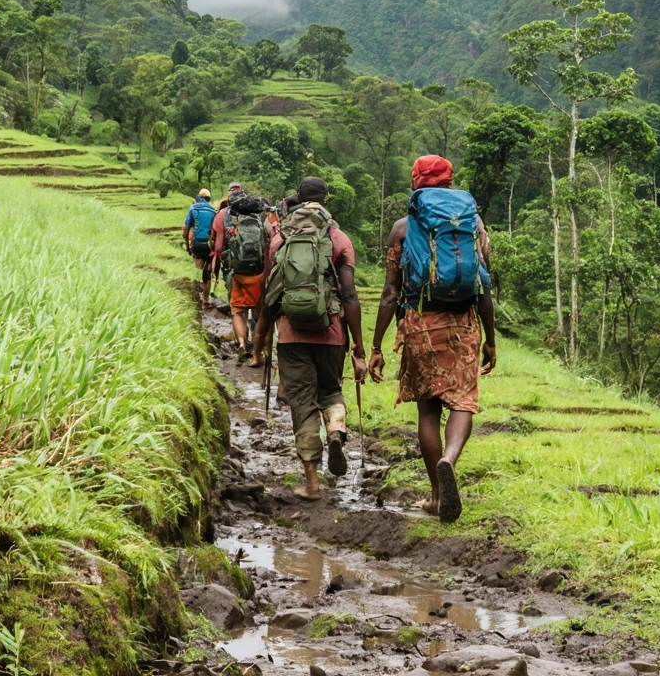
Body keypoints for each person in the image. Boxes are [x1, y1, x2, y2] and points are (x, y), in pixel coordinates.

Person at [368, 155, 496, 523]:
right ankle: (449, 460)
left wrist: (377, 346)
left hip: (420, 323)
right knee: (463, 401)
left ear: (416, 182)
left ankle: (438, 496)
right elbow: (482, 285)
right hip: (464, 325)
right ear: (450, 180)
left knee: (428, 410)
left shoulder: (403, 228)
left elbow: (390, 291)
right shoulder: (474, 223)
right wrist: (490, 339)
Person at [254, 177, 367, 500]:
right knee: (330, 391)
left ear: (298, 200)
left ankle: (312, 484)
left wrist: (260, 337)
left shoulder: (280, 238)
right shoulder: (338, 238)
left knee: (302, 403)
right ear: (326, 199)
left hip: (291, 334)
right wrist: (358, 346)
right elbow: (349, 295)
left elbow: (270, 293)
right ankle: (334, 431)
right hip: (331, 333)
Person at [212, 182, 267, 352]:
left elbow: (218, 246)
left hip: (236, 271)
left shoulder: (222, 215)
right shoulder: (261, 220)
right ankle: (261, 350)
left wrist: (220, 264)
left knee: (237, 310)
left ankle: (242, 343)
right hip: (259, 272)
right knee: (260, 312)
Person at [182, 188, 217, 308]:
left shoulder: (193, 208)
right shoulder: (213, 210)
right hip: (208, 245)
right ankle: (206, 298)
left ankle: (198, 293)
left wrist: (188, 245)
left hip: (196, 244)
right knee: (207, 271)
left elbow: (186, 230)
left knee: (199, 265)